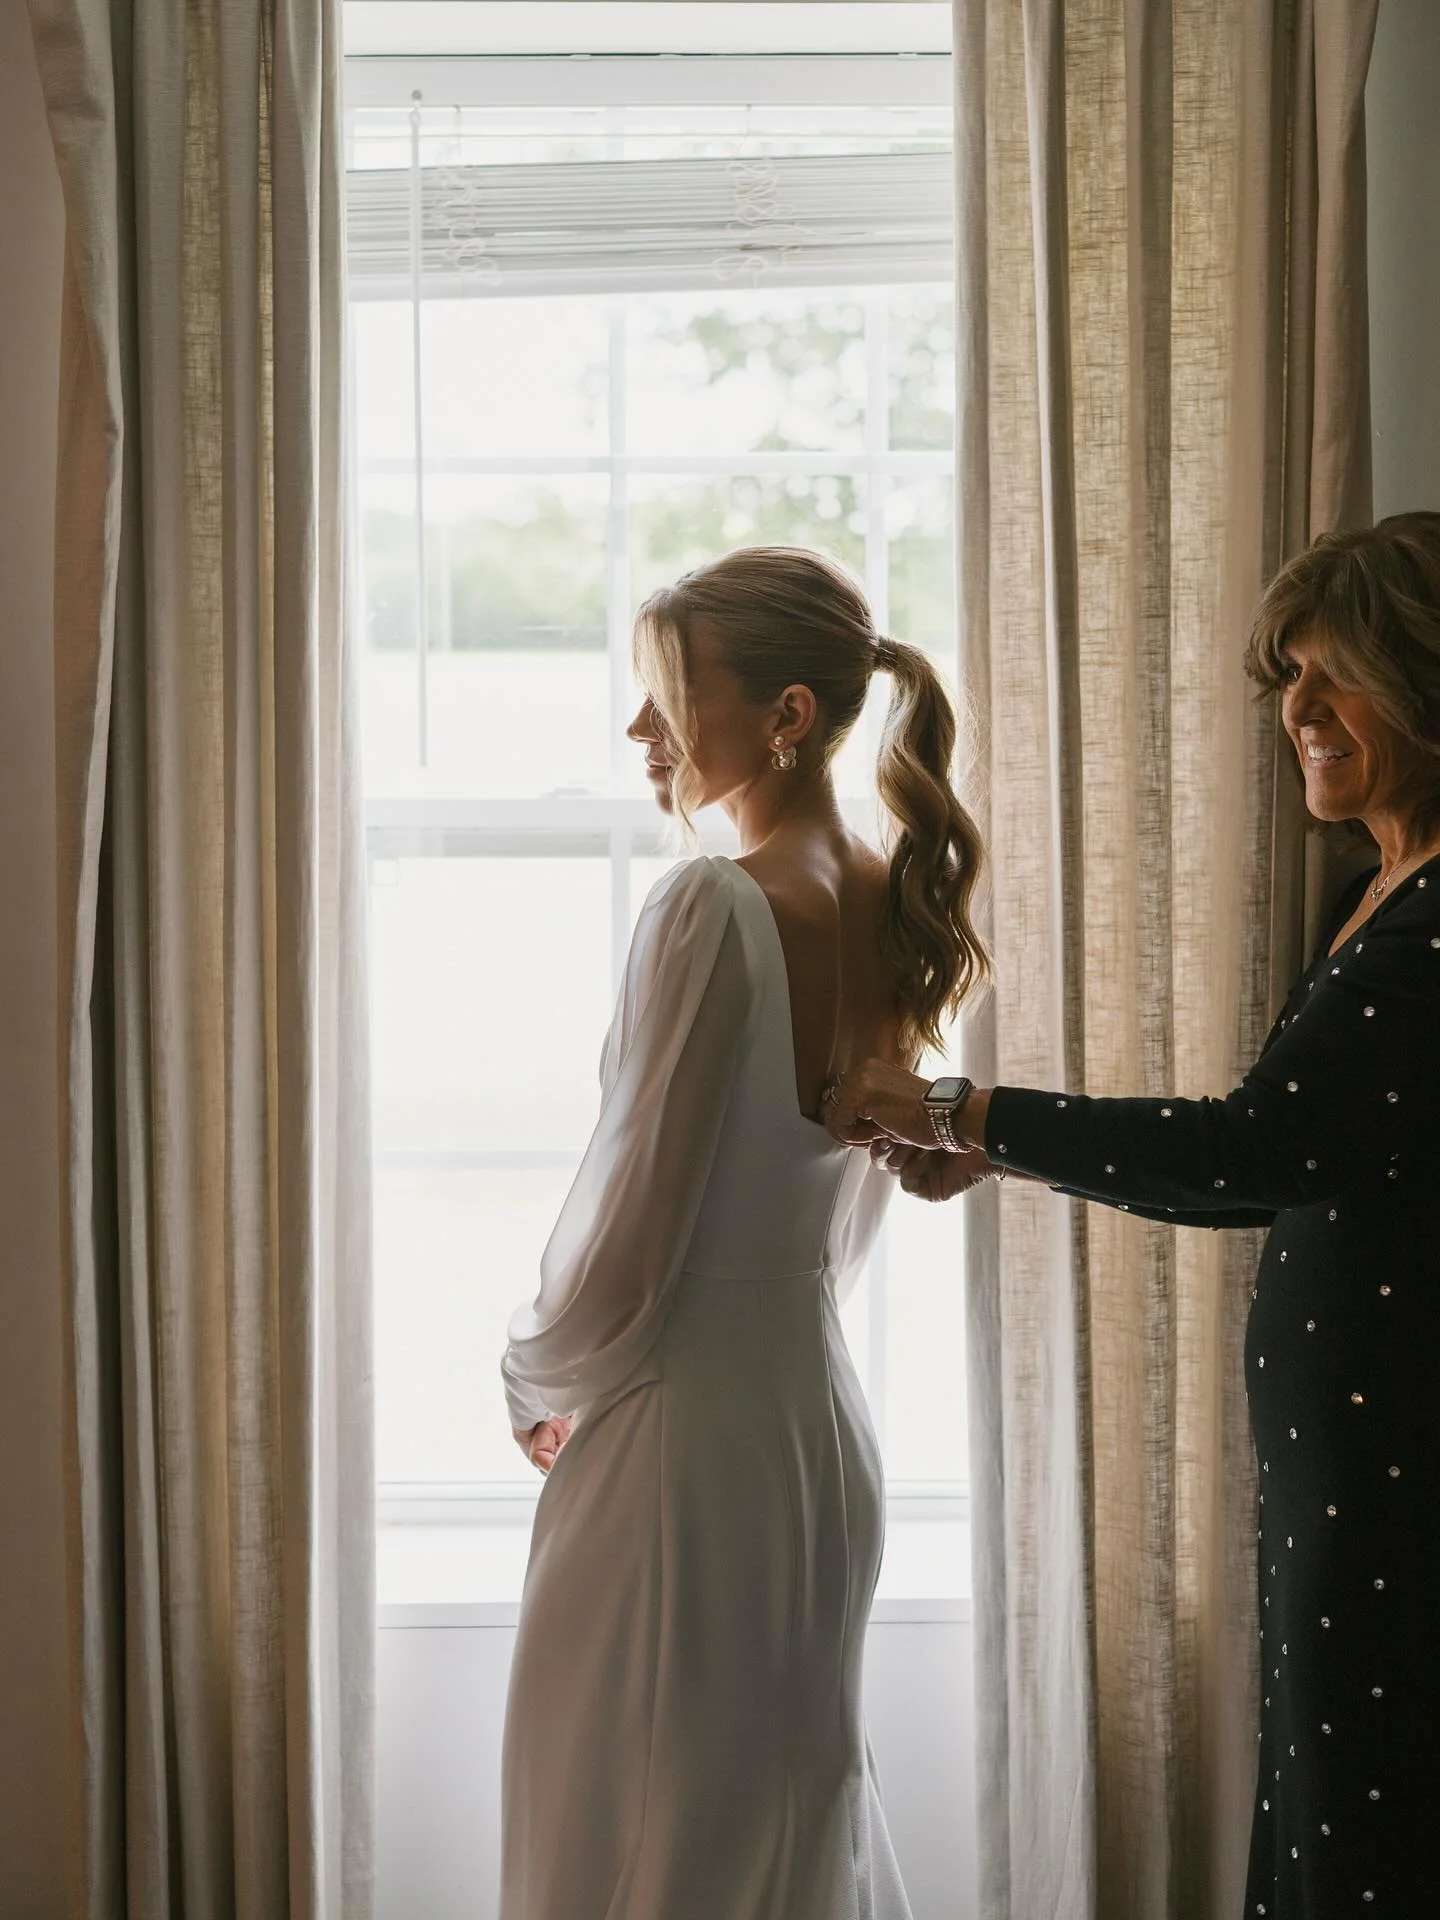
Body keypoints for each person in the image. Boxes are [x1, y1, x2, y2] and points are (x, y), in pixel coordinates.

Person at [825, 512, 1440, 1920]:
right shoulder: (1375, 890)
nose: (1300, 711)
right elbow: (1309, 1167)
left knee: (1379, 1839)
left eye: (1335, 675)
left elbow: (1263, 1148)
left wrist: (959, 1112)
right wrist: (995, 1154)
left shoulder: (1436, 921)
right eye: (1288, 677)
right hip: (1348, 1478)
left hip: (1411, 1483)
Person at [498, 546, 988, 1919]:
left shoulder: (715, 906)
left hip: (677, 1447)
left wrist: (536, 1378)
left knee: (625, 1834)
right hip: (812, 1435)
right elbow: (854, 1203)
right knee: (764, 1826)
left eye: (668, 696)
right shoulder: (896, 896)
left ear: (783, 714)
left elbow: (629, 1211)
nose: (642, 730)